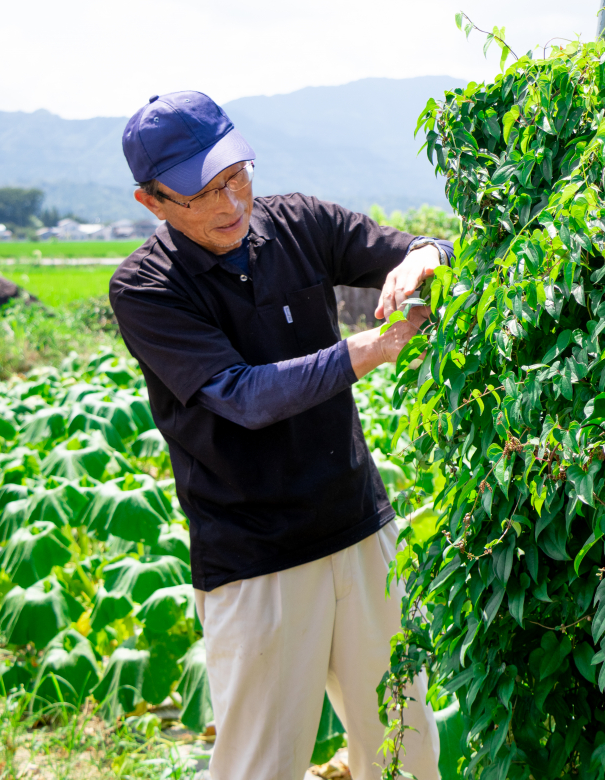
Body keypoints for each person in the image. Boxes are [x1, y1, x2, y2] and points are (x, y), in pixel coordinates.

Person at [109, 91, 446, 780]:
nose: (232, 203)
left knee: (406, 748)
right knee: (261, 767)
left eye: (237, 176)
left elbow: (424, 248)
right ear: (154, 203)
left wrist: (423, 256)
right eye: (204, 192)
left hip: (357, 528)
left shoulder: (297, 222)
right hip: (257, 559)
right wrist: (369, 350)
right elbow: (242, 396)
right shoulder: (147, 288)